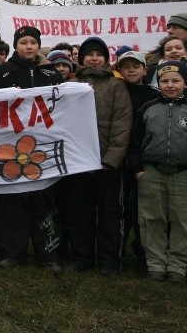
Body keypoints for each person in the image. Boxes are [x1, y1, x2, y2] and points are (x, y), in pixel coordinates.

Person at [0, 26, 63, 273]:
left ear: (38, 45)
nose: (28, 47)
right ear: (16, 46)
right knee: (14, 202)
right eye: (23, 42)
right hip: (11, 147)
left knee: (44, 202)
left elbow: (63, 104)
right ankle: (13, 253)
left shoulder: (50, 72)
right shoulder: (4, 72)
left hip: (43, 147)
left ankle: (48, 254)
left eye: (33, 42)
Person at [128, 61, 187, 283]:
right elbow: (134, 141)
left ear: (185, 84)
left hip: (185, 175)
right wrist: (137, 170)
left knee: (184, 221)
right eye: (164, 81)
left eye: (175, 81)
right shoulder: (148, 109)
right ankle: (155, 263)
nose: (170, 85)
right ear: (158, 83)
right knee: (151, 219)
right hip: (151, 173)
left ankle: (178, 265)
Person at [64, 37, 132, 275]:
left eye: (99, 54)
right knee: (79, 212)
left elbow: (122, 125)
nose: (94, 58)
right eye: (89, 54)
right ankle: (82, 257)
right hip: (79, 163)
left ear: (106, 58)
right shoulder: (72, 83)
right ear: (81, 58)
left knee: (110, 214)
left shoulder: (116, 86)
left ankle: (109, 260)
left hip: (106, 162)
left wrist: (111, 160)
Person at [115, 50, 159, 267]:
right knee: (123, 208)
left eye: (135, 66)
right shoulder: (117, 90)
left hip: (145, 161)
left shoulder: (155, 95)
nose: (131, 70)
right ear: (119, 70)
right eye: (126, 67)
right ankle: (117, 250)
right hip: (120, 159)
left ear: (145, 70)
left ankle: (144, 252)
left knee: (145, 208)